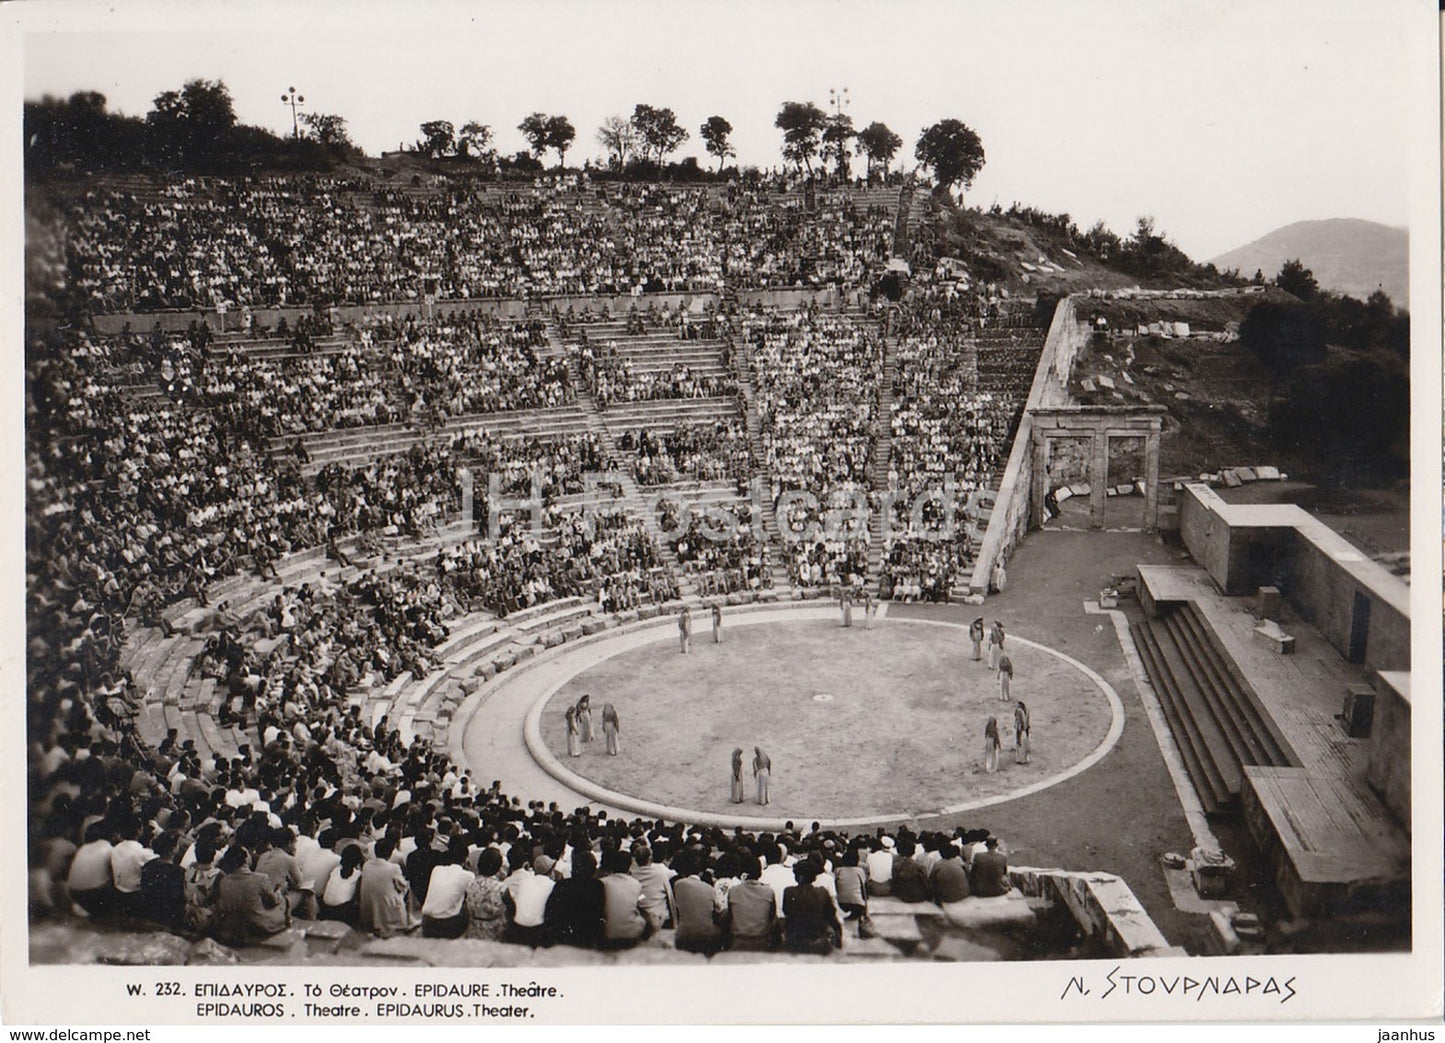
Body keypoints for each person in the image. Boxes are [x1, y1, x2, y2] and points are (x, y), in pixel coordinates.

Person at [543, 850, 605, 949]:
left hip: (563, 937)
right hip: (585, 938)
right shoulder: (597, 886)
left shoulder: (561, 885)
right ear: (593, 871)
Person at [358, 835, 415, 938]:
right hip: (386, 908)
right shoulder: (393, 868)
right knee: (407, 887)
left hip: (368, 908)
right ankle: (409, 920)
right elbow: (403, 887)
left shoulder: (366, 865)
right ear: (390, 853)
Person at [781, 859, 842, 955]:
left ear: (799, 877)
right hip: (817, 941)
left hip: (794, 942)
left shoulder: (789, 892)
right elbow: (831, 916)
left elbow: (786, 911)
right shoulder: (822, 892)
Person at [670, 848, 724, 954]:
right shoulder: (710, 889)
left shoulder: (676, 884)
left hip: (682, 932)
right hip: (705, 935)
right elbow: (717, 912)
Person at [723, 854, 777, 951]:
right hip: (762, 941)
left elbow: (730, 916)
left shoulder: (734, 891)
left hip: (738, 941)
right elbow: (772, 917)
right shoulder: (769, 892)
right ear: (760, 873)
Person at [463, 848, 510, 942]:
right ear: (498, 867)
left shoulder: (470, 884)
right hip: (495, 933)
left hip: (473, 931)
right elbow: (511, 910)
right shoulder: (501, 887)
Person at [1014, 700, 1031, 764]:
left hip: (1021, 731)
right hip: (1025, 731)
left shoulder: (1020, 714)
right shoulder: (1026, 712)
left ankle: (1020, 759)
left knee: (1020, 745)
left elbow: (1019, 727)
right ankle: (1023, 758)